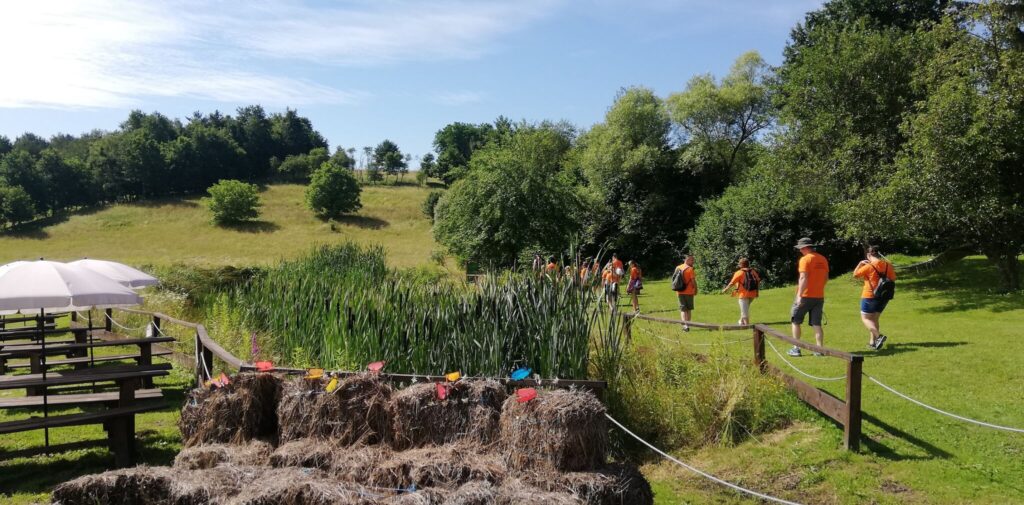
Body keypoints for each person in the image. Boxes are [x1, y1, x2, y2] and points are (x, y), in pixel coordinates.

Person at [789, 237, 829, 357]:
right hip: (819, 296)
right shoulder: (822, 259)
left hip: (805, 296)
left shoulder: (805, 259)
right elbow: (826, 277)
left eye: (800, 248)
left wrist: (799, 295)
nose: (800, 250)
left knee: (795, 321)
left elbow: (803, 278)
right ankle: (819, 349)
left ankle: (796, 348)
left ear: (805, 248)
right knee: (817, 323)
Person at [854, 246, 896, 350]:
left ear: (869, 255)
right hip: (883, 296)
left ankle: (879, 336)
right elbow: (893, 278)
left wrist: (860, 264)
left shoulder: (868, 266)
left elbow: (855, 275)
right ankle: (873, 343)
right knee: (874, 319)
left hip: (869, 296)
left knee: (866, 318)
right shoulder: (888, 265)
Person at [721, 258, 760, 325]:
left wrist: (725, 289)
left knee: (744, 312)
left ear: (741, 265)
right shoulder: (753, 271)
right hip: (752, 294)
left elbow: (732, 283)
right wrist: (757, 292)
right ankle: (741, 322)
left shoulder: (739, 272)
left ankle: (747, 325)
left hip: (743, 294)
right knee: (745, 309)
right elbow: (758, 281)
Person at [673, 255, 697, 331]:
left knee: (683, 309)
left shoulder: (678, 267)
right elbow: (693, 281)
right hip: (689, 292)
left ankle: (685, 326)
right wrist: (696, 289)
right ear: (687, 260)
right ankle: (687, 325)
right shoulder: (690, 269)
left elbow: (674, 279)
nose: (693, 262)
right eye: (692, 260)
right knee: (688, 309)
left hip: (679, 291)